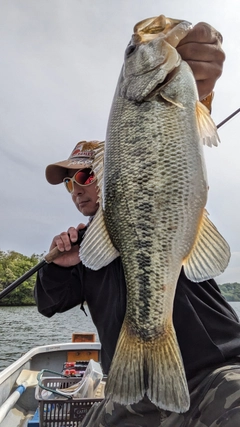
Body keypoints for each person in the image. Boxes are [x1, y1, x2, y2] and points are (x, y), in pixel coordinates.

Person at [34, 22, 240, 427]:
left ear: (112, 172)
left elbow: (171, 142)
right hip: (134, 388)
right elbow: (48, 304)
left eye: (86, 176)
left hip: (213, 370)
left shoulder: (149, 184)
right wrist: (56, 265)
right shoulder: (85, 249)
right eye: (69, 184)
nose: (76, 189)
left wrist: (200, 87)